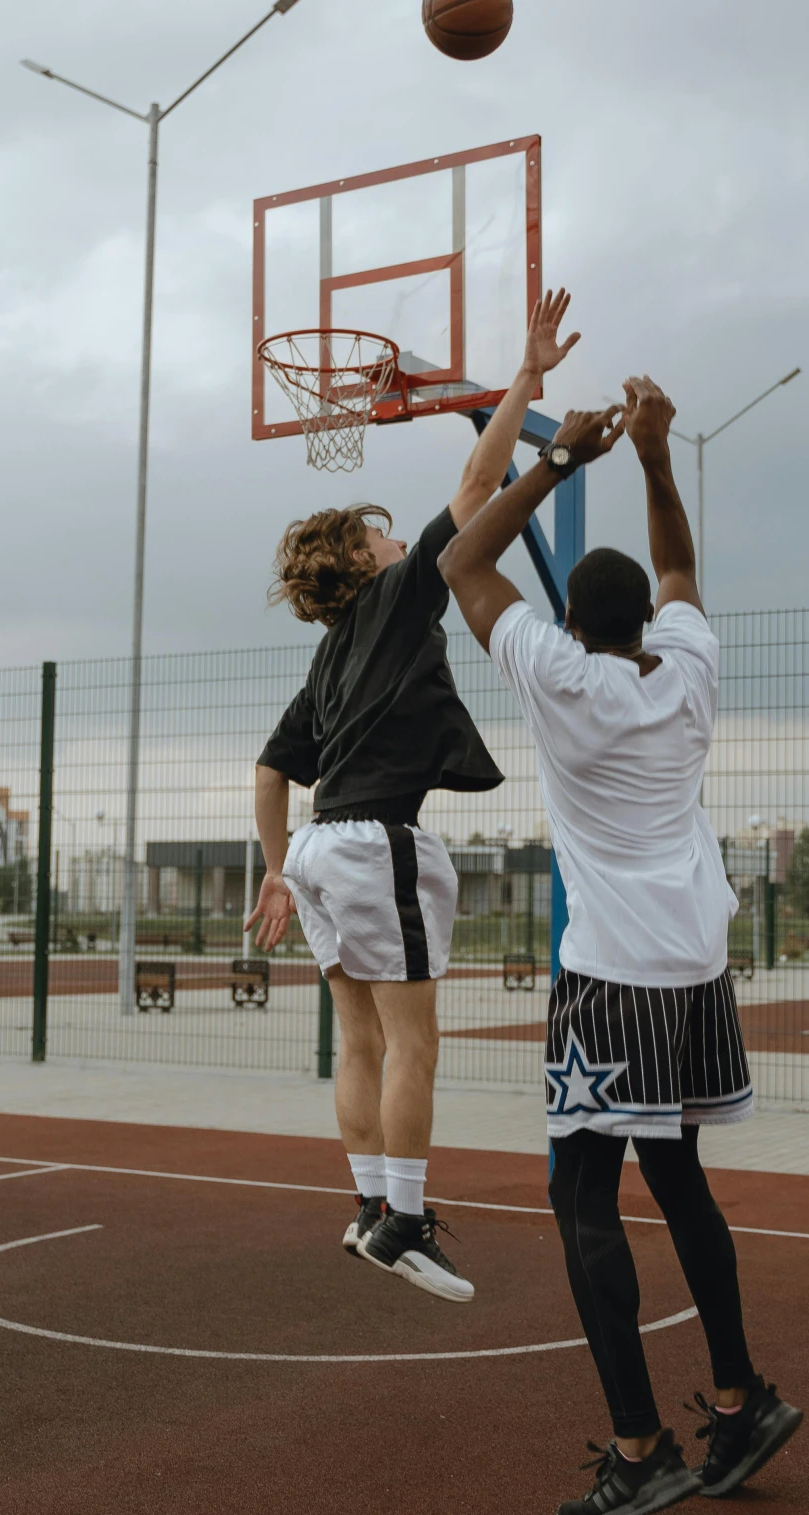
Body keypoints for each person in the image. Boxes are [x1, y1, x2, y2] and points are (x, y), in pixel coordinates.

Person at [438, 378, 803, 1515]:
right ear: (646, 619)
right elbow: (683, 568)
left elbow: (460, 564)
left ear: (575, 623)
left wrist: (552, 465)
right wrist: (650, 456)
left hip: (610, 978)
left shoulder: (556, 678)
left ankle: (641, 1443)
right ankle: (739, 1399)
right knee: (679, 1176)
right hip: (696, 969)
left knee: (578, 1190)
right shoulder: (687, 669)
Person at [247, 291, 583, 1304]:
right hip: (370, 842)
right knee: (414, 1041)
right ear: (360, 563)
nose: (398, 542)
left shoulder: (328, 656)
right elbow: (481, 482)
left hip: (315, 847)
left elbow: (270, 766)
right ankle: (402, 1218)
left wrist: (273, 868)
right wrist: (524, 380)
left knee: (358, 1039)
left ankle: (366, 1207)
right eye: (382, 537)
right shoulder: (391, 601)